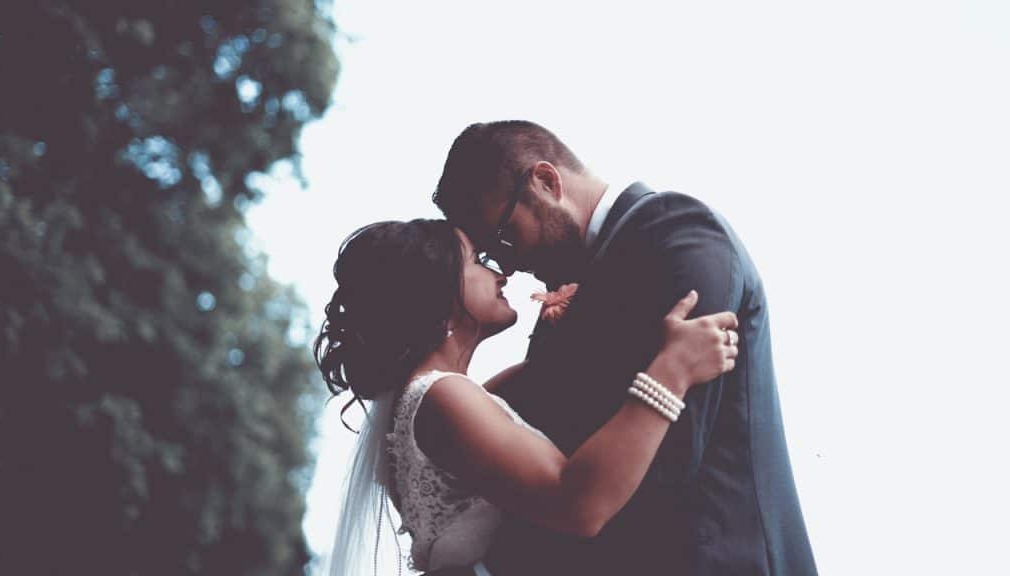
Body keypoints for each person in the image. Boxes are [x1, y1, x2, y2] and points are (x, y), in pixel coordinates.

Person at [431, 120, 817, 575]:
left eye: (506, 238)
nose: (510, 266)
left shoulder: (678, 234)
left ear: (546, 181)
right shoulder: (579, 284)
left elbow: (665, 464)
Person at [314, 219, 740, 576]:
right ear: (438, 293)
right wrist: (673, 371)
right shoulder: (443, 397)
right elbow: (579, 506)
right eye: (476, 262)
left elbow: (537, 378)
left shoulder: (442, 399)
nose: (501, 274)